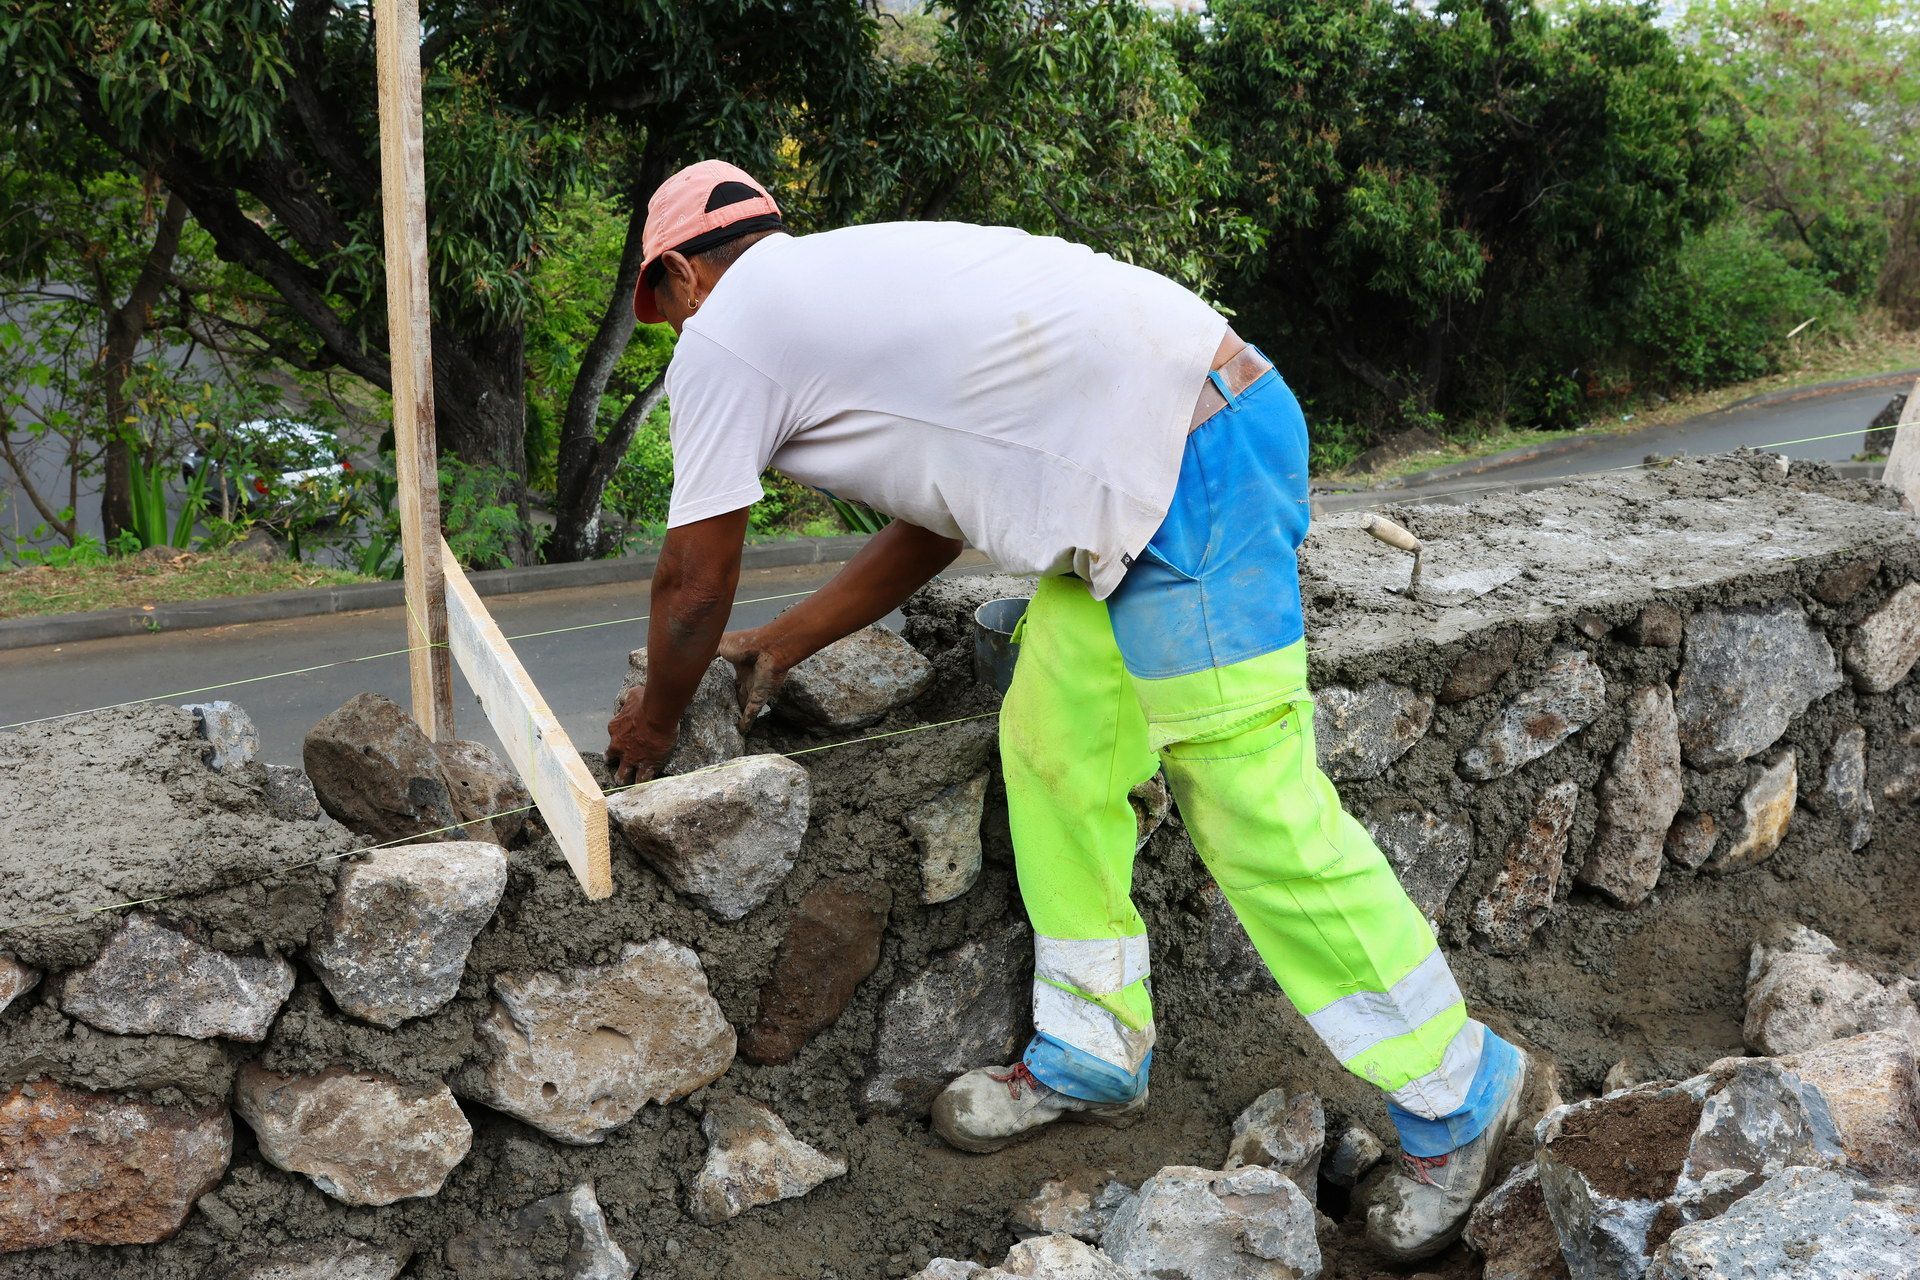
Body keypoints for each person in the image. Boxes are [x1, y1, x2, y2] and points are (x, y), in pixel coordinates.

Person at [603, 159, 1530, 1261]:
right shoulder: (843, 297)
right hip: (1139, 480)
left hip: (1189, 463)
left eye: (659, 313)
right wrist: (793, 639)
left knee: (1246, 793)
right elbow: (935, 522)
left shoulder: (730, 329)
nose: (672, 335)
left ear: (675, 277)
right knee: (1052, 742)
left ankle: (1457, 1089)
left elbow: (692, 582)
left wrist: (653, 730)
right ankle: (1093, 1044)